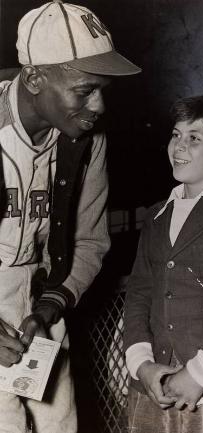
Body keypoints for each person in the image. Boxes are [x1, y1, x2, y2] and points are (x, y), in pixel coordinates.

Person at [0, 1, 141, 432]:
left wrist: (49, 306)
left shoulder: (83, 136)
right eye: (84, 90)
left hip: (42, 295)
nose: (98, 105)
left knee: (59, 424)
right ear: (35, 77)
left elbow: (90, 241)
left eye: (103, 90)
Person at [123, 94, 203, 433]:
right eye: (176, 134)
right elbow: (139, 292)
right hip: (155, 386)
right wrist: (142, 366)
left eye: (194, 138)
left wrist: (198, 373)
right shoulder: (156, 215)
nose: (179, 145)